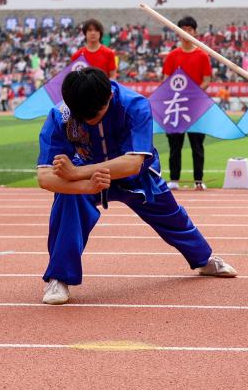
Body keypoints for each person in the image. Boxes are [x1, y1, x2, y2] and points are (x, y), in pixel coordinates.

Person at [36, 67, 236, 305]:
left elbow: (132, 163)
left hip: (136, 176)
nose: (89, 120)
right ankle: (59, 277)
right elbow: (45, 177)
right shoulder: (61, 115)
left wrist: (78, 172)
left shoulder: (134, 105)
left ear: (109, 96)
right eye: (83, 117)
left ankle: (204, 260)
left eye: (95, 114)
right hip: (87, 179)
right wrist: (86, 186)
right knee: (67, 200)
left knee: (172, 216)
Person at [162, 16, 212, 190]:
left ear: (195, 32)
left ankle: (199, 179)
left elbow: (206, 80)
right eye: (184, 29)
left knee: (197, 144)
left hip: (196, 107)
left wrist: (192, 93)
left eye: (190, 29)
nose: (187, 32)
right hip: (176, 106)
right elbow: (166, 81)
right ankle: (174, 179)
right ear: (178, 33)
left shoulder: (202, 55)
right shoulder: (172, 56)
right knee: (175, 144)